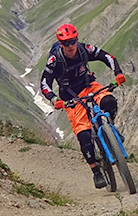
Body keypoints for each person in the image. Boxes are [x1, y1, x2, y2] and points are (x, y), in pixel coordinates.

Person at [40, 23, 126, 188]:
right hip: (71, 97)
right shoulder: (55, 60)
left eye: (72, 41)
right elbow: (45, 83)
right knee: (84, 135)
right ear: (60, 44)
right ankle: (96, 171)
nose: (70, 46)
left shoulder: (84, 49)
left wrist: (118, 73)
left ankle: (111, 130)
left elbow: (108, 57)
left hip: (89, 85)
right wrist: (53, 99)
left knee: (109, 102)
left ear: (76, 39)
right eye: (65, 43)